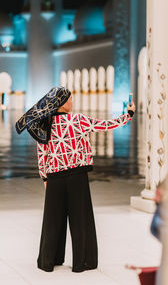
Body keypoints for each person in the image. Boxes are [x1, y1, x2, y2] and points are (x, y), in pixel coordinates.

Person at [15, 86, 136, 273]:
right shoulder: (77, 120)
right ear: (62, 104)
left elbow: (42, 153)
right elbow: (106, 125)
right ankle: (83, 261)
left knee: (52, 220)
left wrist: (44, 177)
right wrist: (128, 114)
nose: (72, 102)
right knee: (81, 218)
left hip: (54, 177)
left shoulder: (45, 124)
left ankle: (49, 260)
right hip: (77, 176)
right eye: (70, 99)